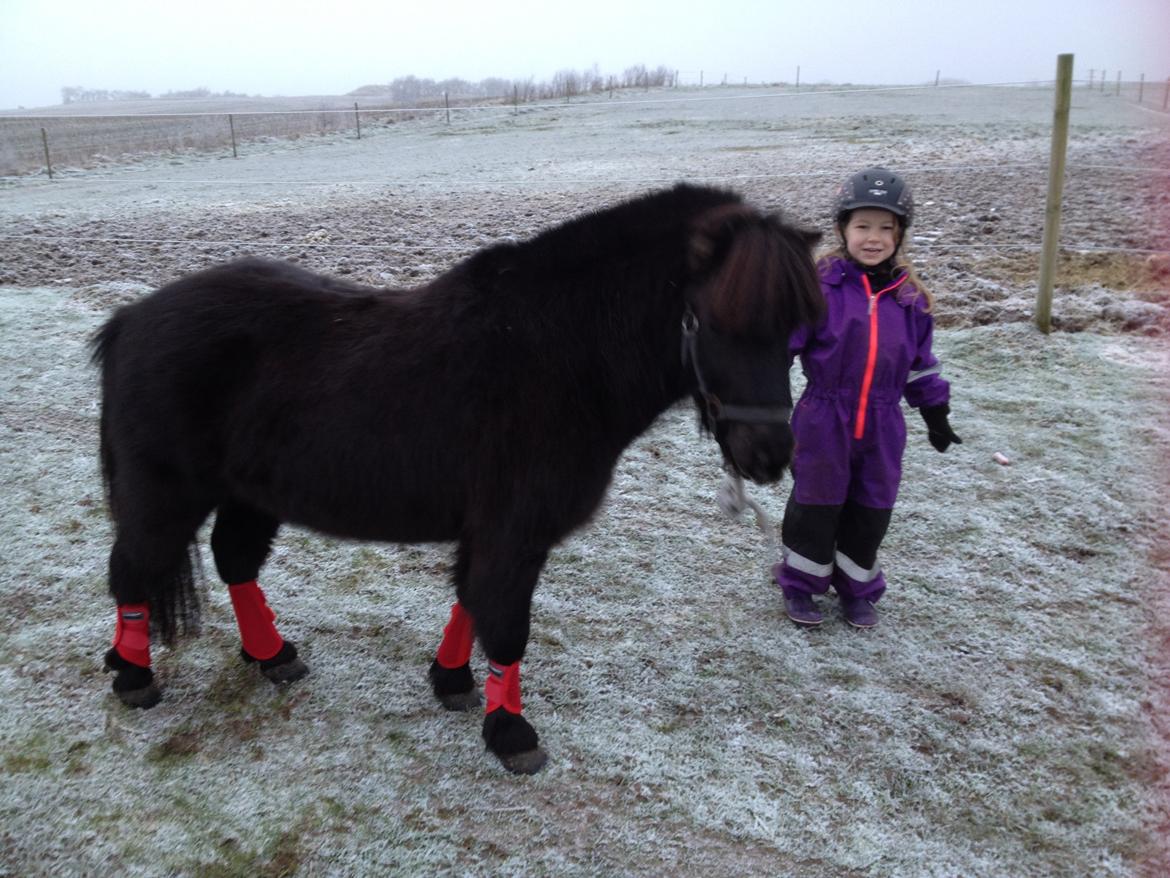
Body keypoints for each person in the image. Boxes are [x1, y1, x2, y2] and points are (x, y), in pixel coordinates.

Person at [773, 167, 960, 628]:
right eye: (862, 226)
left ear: (900, 235)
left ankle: (858, 590)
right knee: (816, 505)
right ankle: (801, 586)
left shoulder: (910, 299)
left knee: (871, 508)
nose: (873, 238)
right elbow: (784, 345)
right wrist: (767, 393)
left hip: (883, 423)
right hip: (822, 416)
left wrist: (935, 411)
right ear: (843, 230)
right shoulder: (821, 288)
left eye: (885, 228)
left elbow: (922, 365)